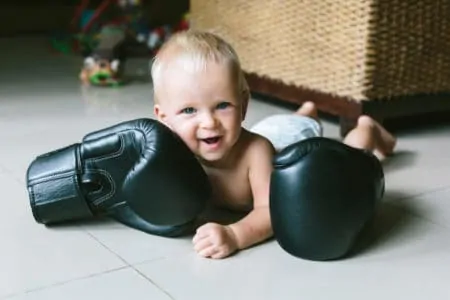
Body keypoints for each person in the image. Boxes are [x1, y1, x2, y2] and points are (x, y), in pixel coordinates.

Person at [150, 30, 396, 259]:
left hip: (292, 143)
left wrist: (236, 234)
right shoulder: (175, 151)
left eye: (222, 105)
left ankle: (367, 127)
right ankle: (307, 112)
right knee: (296, 121)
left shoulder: (256, 153)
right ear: (164, 119)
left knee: (347, 157)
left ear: (243, 105)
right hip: (273, 128)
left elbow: (272, 210)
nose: (208, 122)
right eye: (189, 110)